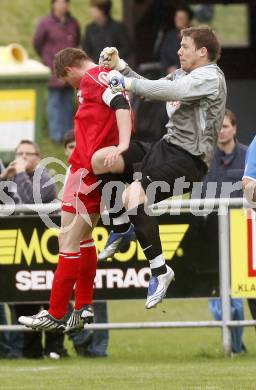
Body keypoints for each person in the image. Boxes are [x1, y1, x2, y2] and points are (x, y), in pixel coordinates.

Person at [98, 26, 227, 309]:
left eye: (185, 46)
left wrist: (126, 83)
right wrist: (122, 67)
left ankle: (160, 271)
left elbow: (170, 90)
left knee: (134, 196)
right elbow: (153, 87)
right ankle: (121, 227)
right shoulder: (184, 74)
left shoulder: (210, 77)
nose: (178, 51)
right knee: (104, 159)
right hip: (164, 148)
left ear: (202, 52)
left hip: (188, 159)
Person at [18, 48, 133, 334]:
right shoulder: (106, 75)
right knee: (80, 238)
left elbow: (120, 104)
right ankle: (82, 308)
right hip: (84, 166)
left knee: (67, 239)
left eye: (65, 80)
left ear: (69, 69)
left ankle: (56, 313)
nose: (71, 88)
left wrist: (123, 144)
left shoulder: (93, 77)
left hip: (87, 169)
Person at [0, 140, 67, 358]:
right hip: (22, 250)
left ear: (37, 157)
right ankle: (31, 350)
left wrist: (18, 175)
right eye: (19, 153)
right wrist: (3, 178)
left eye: (27, 153)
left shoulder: (44, 178)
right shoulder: (12, 177)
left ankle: (55, 348)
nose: (22, 157)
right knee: (24, 302)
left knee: (50, 298)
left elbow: (30, 202)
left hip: (45, 249)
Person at [201, 109, 247, 354]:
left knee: (249, 294)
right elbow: (197, 196)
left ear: (235, 128)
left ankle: (237, 342)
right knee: (220, 296)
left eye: (226, 126)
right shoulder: (204, 158)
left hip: (245, 236)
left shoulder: (249, 156)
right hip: (213, 238)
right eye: (218, 127)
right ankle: (234, 344)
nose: (222, 131)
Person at [63, 130, 109, 357]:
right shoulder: (69, 172)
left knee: (78, 242)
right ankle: (81, 337)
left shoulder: (90, 166)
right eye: (70, 146)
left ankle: (96, 345)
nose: (73, 149)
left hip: (94, 240)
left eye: (76, 145)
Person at [33, 0, 80, 143]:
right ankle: (56, 135)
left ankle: (67, 135)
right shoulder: (45, 23)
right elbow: (37, 43)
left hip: (69, 69)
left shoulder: (73, 23)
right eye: (60, 3)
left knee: (67, 101)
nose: (63, 6)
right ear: (53, 4)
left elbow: (77, 40)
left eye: (65, 3)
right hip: (52, 68)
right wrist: (48, 61)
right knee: (54, 102)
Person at [156, 5, 193, 74]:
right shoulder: (170, 36)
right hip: (171, 75)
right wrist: (168, 68)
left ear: (188, 20)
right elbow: (163, 55)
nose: (178, 20)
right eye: (177, 17)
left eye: (182, 18)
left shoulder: (194, 36)